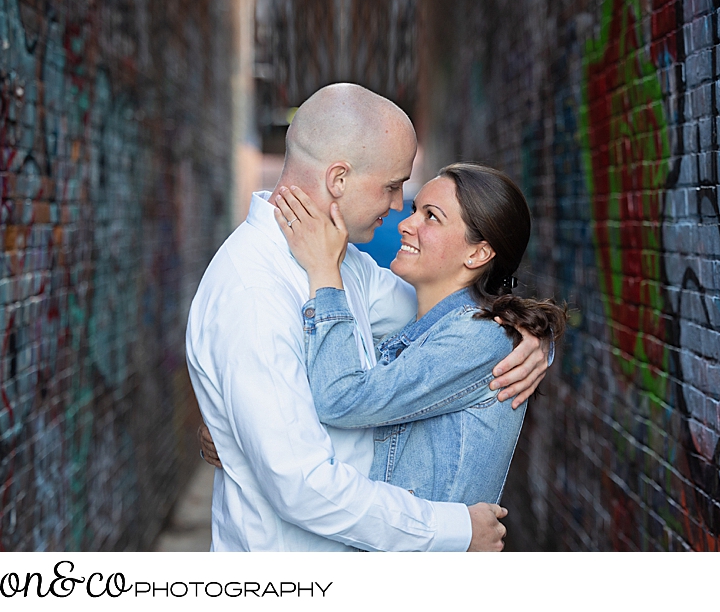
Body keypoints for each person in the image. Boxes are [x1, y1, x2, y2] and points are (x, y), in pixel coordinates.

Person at [185, 83, 549, 551]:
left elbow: (442, 317)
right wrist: (454, 530)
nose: (398, 208)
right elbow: (303, 486)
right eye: (394, 186)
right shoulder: (252, 292)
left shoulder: (344, 263)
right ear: (339, 180)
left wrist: (525, 337)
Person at [272, 162, 566, 505]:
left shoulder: (476, 338)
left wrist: (323, 271)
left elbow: (341, 398)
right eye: (415, 210)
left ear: (478, 253)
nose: (406, 224)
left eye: (431, 217)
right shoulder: (426, 326)